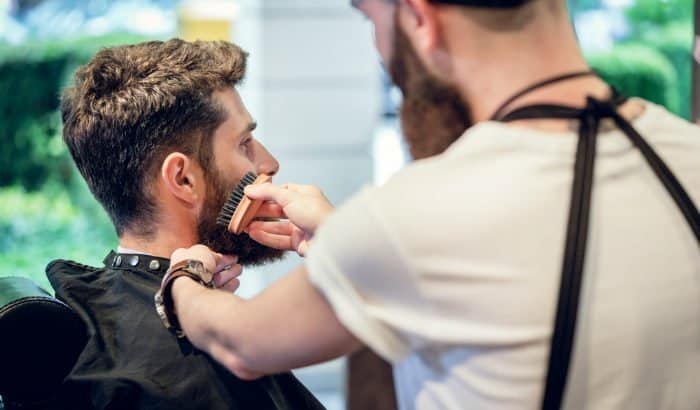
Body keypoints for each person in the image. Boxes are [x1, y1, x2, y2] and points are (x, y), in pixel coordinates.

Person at [162, 0, 700, 409]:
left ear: (420, 18)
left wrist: (183, 276)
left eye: (374, 22)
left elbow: (241, 344)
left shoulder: (416, 215)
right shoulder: (688, 155)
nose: (380, 49)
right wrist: (342, 237)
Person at [49, 39, 325, 410]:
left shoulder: (95, 308)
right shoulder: (186, 377)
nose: (269, 163)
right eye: (244, 143)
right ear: (183, 180)